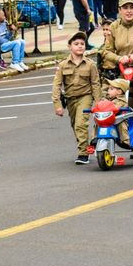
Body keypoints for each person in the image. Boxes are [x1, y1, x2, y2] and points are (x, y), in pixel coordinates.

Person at [52, 31, 101, 165]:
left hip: (85, 96)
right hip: (70, 99)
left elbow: (95, 84)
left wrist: (98, 103)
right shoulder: (63, 65)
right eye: (76, 44)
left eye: (82, 44)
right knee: (75, 125)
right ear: (69, 46)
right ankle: (85, 145)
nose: (80, 46)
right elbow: (56, 85)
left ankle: (83, 153)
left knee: (81, 124)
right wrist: (57, 105)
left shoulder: (90, 64)